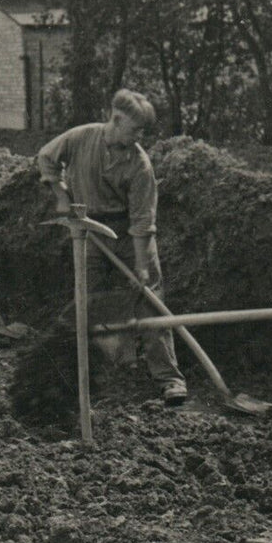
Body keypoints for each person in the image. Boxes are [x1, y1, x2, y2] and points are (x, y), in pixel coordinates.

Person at [36, 89, 188, 406]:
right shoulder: (80, 138)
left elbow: (143, 222)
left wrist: (143, 266)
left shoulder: (140, 165)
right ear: (116, 120)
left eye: (143, 131)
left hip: (129, 235)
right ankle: (88, 371)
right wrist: (61, 195)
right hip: (90, 229)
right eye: (136, 129)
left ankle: (169, 378)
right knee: (89, 298)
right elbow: (46, 158)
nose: (140, 136)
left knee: (150, 301)